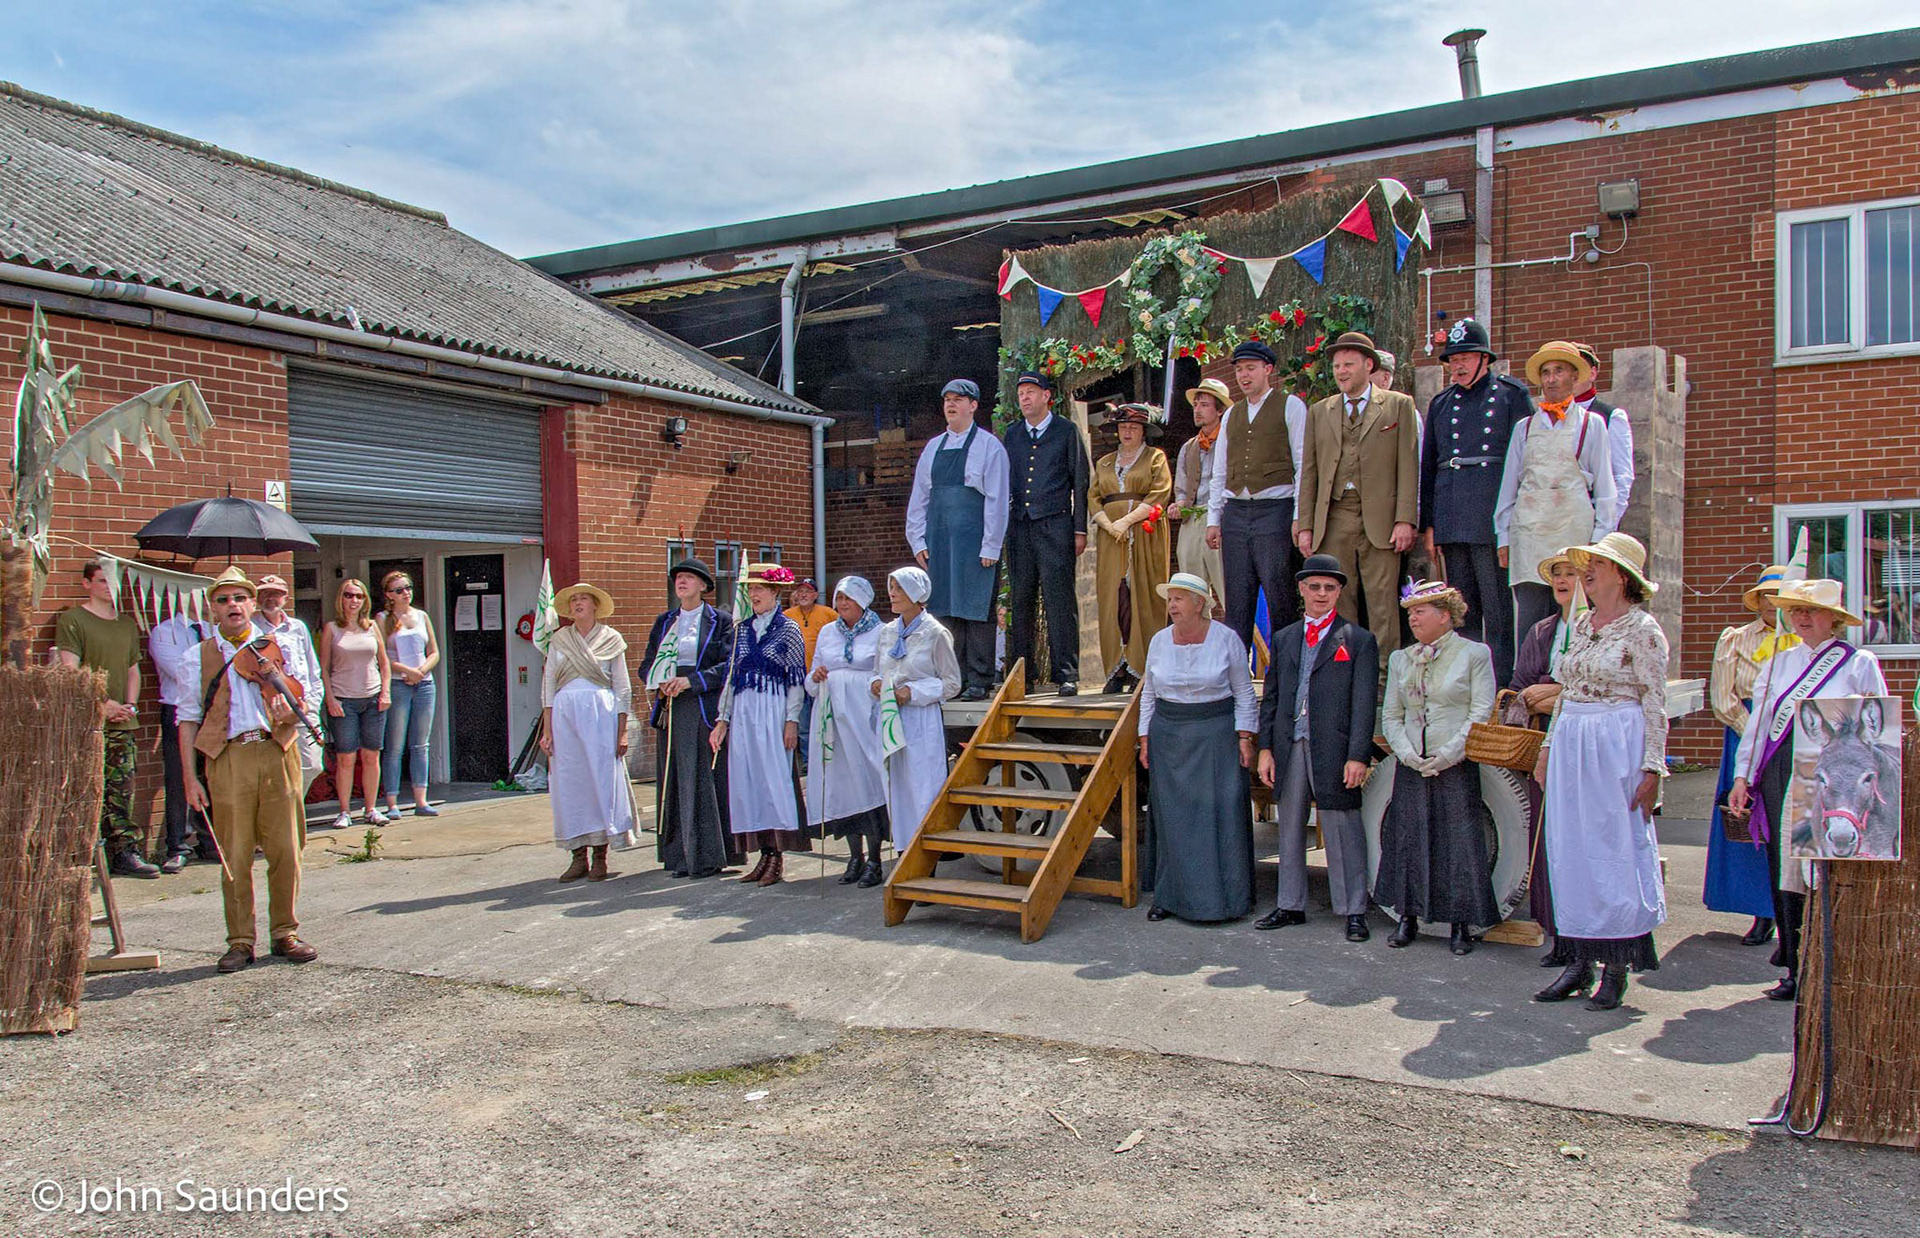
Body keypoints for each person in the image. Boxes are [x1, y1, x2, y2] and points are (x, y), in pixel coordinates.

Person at [1728, 578, 1887, 1002]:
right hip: (1785, 772)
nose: (1802, 617)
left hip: (1837, 780)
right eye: (1796, 610)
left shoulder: (1858, 663)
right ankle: (1796, 967)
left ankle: (1836, 969)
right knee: (1788, 870)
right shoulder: (1779, 661)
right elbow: (1759, 725)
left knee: (1830, 872)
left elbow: (1877, 727)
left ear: (1834, 618)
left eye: (1812, 610)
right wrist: (1743, 776)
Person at [1533, 533, 1668, 1011]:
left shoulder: (1643, 630)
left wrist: (1653, 767)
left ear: (1623, 576)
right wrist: (1548, 747)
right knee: (1571, 846)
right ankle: (1578, 960)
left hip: (1617, 742)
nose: (1586, 572)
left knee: (1614, 846)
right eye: (1584, 564)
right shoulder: (1584, 623)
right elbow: (1566, 690)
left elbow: (1655, 701)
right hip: (1574, 738)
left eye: (1597, 565)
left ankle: (1617, 967)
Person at [176, 566, 317, 973]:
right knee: (233, 855)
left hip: (276, 751)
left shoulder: (278, 647)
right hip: (229, 757)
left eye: (240, 598)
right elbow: (186, 720)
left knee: (287, 850)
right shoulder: (197, 656)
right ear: (213, 610)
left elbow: (302, 700)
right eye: (223, 600)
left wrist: (290, 709)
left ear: (253, 604)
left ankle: (284, 932)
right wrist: (190, 778)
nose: (232, 606)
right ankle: (239, 941)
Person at [1254, 555, 1380, 939]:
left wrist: (1358, 754)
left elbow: (1363, 704)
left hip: (1334, 745)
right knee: (1290, 825)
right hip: (1290, 743)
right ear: (1302, 590)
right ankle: (1290, 903)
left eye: (1329, 587)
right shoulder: (1286, 637)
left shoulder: (1358, 640)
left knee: (1342, 825)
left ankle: (1353, 908)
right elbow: (1272, 697)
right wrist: (1265, 748)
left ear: (1339, 592)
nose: (1321, 594)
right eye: (1315, 587)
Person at [1377, 579, 1499, 955]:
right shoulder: (1402, 658)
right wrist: (1406, 754)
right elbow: (1392, 715)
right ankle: (1408, 916)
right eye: (1410, 612)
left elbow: (1481, 712)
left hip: (1454, 763)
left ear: (1445, 616)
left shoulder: (1473, 654)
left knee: (1458, 842)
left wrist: (1448, 755)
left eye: (1421, 611)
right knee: (1409, 838)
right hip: (1413, 762)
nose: (1413, 618)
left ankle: (1460, 924)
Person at [1138, 572, 1257, 923]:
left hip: (1215, 734)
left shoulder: (1226, 639)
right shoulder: (1159, 641)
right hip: (1169, 735)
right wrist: (1144, 739)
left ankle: (1226, 900)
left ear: (1199, 604)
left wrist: (1245, 737)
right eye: (1170, 598)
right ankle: (1169, 897)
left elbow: (1244, 692)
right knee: (1172, 817)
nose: (1172, 605)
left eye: (1178, 598)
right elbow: (1149, 693)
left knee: (1219, 814)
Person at [1419, 318, 1533, 685]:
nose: (1458, 366)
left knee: (1497, 611)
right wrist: (1431, 524)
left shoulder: (1510, 395)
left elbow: (1524, 460)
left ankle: (1499, 686)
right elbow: (1430, 466)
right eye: (1452, 360)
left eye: (1466, 357)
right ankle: (1466, 684)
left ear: (1485, 359)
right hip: (1452, 515)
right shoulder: (1441, 403)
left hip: (1490, 514)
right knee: (1462, 610)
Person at [1293, 331, 1418, 662]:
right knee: (1338, 598)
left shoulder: (1397, 405)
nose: (1341, 371)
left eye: (1348, 364)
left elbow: (1408, 466)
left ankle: (1382, 680)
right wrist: (1305, 524)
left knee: (1382, 602)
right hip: (1334, 515)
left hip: (1381, 517)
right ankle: (1343, 672)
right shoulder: (1320, 411)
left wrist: (1405, 519)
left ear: (1368, 365)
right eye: (1336, 366)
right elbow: (1309, 472)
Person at [1702, 565, 1799, 949]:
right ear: (1756, 600)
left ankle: (1787, 910)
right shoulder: (1736, 639)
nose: (1772, 603)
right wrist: (1757, 741)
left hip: (1792, 741)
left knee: (1785, 823)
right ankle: (1759, 911)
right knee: (1746, 825)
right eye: (1766, 596)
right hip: (1746, 735)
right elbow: (1723, 698)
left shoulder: (1802, 643)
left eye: (1780, 596)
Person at [1496, 341, 1616, 644]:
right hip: (1530, 534)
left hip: (1572, 531)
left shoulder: (1592, 425)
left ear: (1574, 377)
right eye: (1546, 373)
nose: (1551, 379)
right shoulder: (1524, 428)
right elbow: (1509, 487)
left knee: (1575, 616)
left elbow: (1604, 488)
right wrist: (1504, 537)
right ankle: (1527, 684)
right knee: (1531, 620)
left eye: (1559, 371)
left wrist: (1599, 542)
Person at [908, 378, 1010, 701]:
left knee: (976, 609)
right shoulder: (932, 448)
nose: (951, 405)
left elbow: (997, 498)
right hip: (939, 542)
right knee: (946, 610)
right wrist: (918, 541)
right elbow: (919, 498)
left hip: (975, 543)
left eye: (958, 400)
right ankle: (955, 679)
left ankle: (979, 679)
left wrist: (991, 544)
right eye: (947, 400)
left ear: (973, 406)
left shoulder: (989, 446)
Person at [1501, 551, 1583, 953]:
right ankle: (1553, 931)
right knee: (1545, 832)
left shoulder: (1596, 631)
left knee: (1580, 836)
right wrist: (1534, 699)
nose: (1563, 581)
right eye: (1558, 575)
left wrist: (1559, 695)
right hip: (1544, 740)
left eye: (1572, 574)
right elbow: (1519, 685)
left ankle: (1585, 933)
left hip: (1585, 741)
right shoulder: (1541, 631)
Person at [712, 562, 812, 886]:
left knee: (773, 781)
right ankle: (762, 854)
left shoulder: (789, 629)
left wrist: (791, 721)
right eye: (750, 589)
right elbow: (730, 677)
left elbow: (795, 680)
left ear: (774, 592)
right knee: (748, 781)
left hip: (772, 709)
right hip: (744, 711)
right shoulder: (742, 629)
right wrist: (723, 719)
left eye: (759, 588)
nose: (753, 594)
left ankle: (777, 855)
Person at [639, 559, 739, 880]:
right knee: (675, 778)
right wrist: (662, 679)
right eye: (678, 577)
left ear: (703, 586)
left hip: (703, 705)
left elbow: (727, 665)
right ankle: (680, 855)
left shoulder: (721, 621)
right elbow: (647, 665)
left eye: (689, 578)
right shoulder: (665, 621)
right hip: (672, 707)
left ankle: (709, 854)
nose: (681, 582)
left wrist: (691, 681)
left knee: (704, 777)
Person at [1207, 341, 1308, 649]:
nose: (1244, 376)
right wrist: (1214, 518)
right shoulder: (1231, 415)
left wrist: (1297, 516)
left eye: (1250, 369)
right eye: (1239, 370)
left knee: (1280, 597)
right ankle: (1238, 682)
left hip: (1275, 508)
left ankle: (1283, 679)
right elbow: (1219, 471)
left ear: (1268, 370)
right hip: (1236, 512)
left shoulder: (1290, 406)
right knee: (1237, 601)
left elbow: (1303, 463)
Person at [55, 561, 154, 877]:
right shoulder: (73, 619)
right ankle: (82, 857)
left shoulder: (126, 625)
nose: (107, 588)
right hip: (88, 724)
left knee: (120, 791)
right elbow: (70, 669)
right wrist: (103, 704)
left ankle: (123, 853)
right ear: (86, 584)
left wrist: (129, 705)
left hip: (123, 723)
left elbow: (132, 670)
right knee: (85, 789)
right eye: (100, 581)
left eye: (111, 582)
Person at [539, 582, 633, 882]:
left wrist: (622, 731)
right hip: (566, 718)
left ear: (595, 605)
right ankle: (577, 854)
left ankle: (600, 854)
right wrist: (547, 728)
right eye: (574, 600)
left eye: (584, 599)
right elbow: (549, 686)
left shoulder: (611, 639)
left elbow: (622, 687)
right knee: (571, 782)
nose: (578, 604)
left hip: (600, 716)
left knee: (600, 780)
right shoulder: (560, 640)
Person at [1001, 371, 1089, 695]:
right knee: (1021, 601)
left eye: (1031, 392)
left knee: (1059, 601)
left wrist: (1079, 529)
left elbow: (1080, 482)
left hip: (1056, 526)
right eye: (1021, 393)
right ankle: (1023, 672)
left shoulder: (1066, 431)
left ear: (1046, 396)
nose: (1025, 398)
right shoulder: (1012, 435)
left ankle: (1066, 672)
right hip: (1021, 528)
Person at [805, 576, 891, 887]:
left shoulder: (881, 632)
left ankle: (876, 859)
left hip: (861, 714)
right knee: (841, 785)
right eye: (839, 598)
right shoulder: (828, 632)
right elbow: (810, 683)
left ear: (863, 601)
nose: (842, 604)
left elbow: (883, 673)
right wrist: (816, 677)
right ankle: (854, 857)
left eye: (849, 599)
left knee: (866, 779)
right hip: (831, 718)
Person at [872, 566, 961, 854]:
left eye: (899, 588)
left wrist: (914, 692)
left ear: (916, 593)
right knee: (896, 787)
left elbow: (951, 684)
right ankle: (902, 853)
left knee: (923, 788)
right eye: (892, 587)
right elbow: (877, 671)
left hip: (921, 721)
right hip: (891, 719)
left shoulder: (935, 633)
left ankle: (926, 860)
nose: (892, 593)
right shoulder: (887, 633)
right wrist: (875, 685)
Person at [1090, 401, 1173, 689]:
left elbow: (1160, 494)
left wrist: (1126, 522)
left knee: (1143, 596)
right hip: (1110, 537)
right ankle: (1116, 669)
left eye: (1133, 427)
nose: (1127, 432)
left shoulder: (1155, 458)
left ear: (1143, 432)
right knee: (1114, 597)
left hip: (1144, 535)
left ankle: (1142, 667)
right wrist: (1108, 524)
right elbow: (1093, 497)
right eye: (1123, 427)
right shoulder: (1103, 462)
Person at [318, 577, 391, 829]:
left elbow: (384, 663)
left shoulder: (371, 626)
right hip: (344, 699)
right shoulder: (332, 628)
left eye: (358, 596)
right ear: (341, 599)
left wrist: (385, 692)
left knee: (372, 756)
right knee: (346, 758)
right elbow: (324, 668)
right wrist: (330, 698)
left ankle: (370, 809)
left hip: (371, 698)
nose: (354, 600)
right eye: (349, 595)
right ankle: (345, 810)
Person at [149, 607, 214, 872]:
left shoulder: (213, 631)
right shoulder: (165, 632)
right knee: (179, 778)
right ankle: (177, 844)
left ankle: (209, 840)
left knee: (210, 775)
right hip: (177, 708)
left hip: (212, 710)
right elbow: (183, 673)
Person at [253, 574, 325, 801]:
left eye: (275, 593)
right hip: (270, 708)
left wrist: (313, 700)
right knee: (273, 770)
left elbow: (313, 667)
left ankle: (292, 809)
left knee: (312, 764)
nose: (270, 598)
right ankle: (284, 820)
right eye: (264, 594)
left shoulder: (298, 627)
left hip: (302, 706)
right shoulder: (252, 628)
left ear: (285, 597)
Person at [376, 570, 439, 818]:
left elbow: (434, 651)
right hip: (398, 683)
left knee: (420, 743)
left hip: (424, 683)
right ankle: (392, 802)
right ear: (389, 595)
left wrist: (421, 670)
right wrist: (406, 670)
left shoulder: (421, 616)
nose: (406, 593)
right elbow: (380, 657)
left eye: (409, 588)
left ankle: (421, 800)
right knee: (395, 745)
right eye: (399, 590)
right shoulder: (382, 619)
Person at [1173, 377, 1230, 609]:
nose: (1197, 410)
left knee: (1227, 583)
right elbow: (1181, 486)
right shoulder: (1189, 447)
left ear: (1219, 410)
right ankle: (1198, 640)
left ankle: (1241, 643)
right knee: (1191, 588)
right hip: (1192, 518)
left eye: (1204, 404)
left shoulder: (1230, 441)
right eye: (1196, 404)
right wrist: (1179, 503)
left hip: (1221, 517)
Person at [1571, 343, 1635, 519]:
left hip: (1590, 515)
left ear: (1592, 373)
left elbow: (1621, 476)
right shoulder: (1544, 418)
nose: (1572, 376)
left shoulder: (1611, 417)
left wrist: (1607, 525)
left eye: (1579, 369)